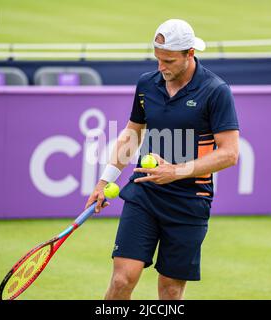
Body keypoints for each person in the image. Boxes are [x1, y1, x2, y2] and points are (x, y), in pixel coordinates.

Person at [85, 18, 240, 300]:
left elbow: (230, 154)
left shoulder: (216, 91)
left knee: (170, 292)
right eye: (157, 59)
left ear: (190, 53)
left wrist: (178, 171)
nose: (161, 67)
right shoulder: (147, 84)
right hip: (145, 193)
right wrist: (104, 180)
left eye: (168, 61)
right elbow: (132, 135)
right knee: (121, 280)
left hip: (190, 201)